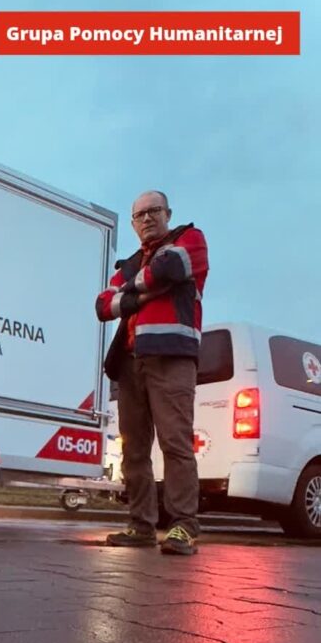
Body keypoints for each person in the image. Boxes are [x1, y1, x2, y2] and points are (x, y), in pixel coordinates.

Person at [95, 191, 208, 555]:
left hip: (172, 359)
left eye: (153, 211)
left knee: (175, 443)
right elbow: (103, 305)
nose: (146, 218)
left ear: (167, 213)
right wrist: (141, 293)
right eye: (139, 214)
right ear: (132, 223)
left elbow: (169, 269)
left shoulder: (189, 239)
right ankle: (141, 526)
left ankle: (183, 527)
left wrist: (128, 293)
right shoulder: (128, 264)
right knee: (134, 450)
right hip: (130, 365)